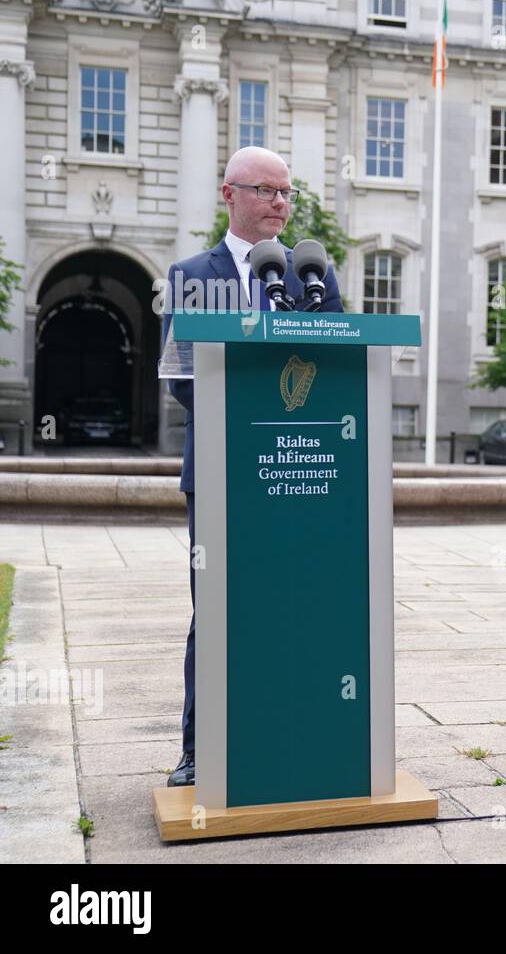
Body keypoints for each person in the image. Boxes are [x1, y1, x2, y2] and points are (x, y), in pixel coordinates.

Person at [160, 146, 342, 786]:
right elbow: (183, 378)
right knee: (216, 607)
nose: (279, 204)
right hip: (220, 470)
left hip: (304, 468)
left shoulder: (313, 273)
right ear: (228, 194)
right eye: (265, 191)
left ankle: (304, 732)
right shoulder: (190, 275)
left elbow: (340, 369)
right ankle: (198, 745)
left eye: (286, 193)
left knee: (304, 601)